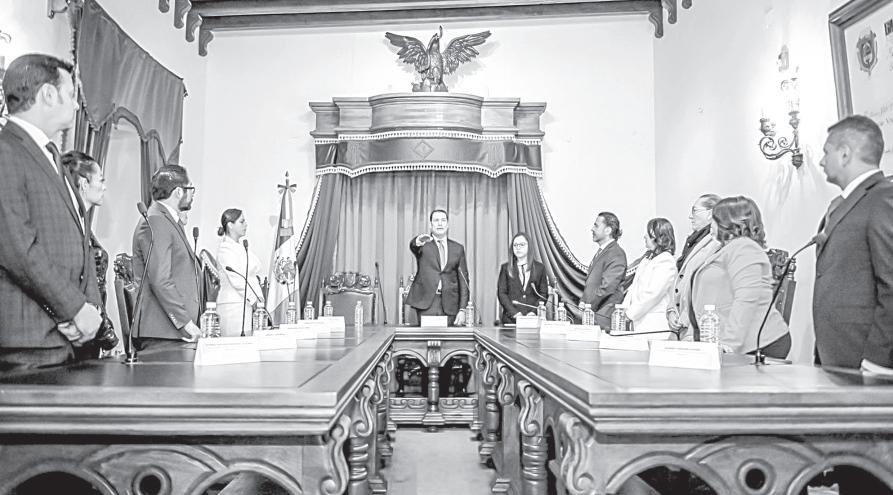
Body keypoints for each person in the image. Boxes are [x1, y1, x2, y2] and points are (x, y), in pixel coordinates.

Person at [0, 54, 102, 370]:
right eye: (70, 95)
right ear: (47, 94)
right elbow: (18, 249)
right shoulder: (6, 150)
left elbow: (80, 241)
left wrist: (90, 311)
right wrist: (74, 308)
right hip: (27, 342)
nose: (76, 106)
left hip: (65, 338)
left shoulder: (50, 155)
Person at [814, 115, 893, 371]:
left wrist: (878, 360)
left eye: (826, 152)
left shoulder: (882, 198)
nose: (821, 161)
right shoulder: (845, 204)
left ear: (845, 154)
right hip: (838, 357)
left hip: (867, 359)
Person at [690, 196, 790, 358]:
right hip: (727, 341)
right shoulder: (726, 248)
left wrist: (729, 344)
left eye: (715, 219)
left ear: (728, 222)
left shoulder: (744, 248)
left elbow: (746, 298)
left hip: (757, 344)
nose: (711, 224)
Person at [131, 165, 202, 349]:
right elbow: (160, 279)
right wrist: (185, 322)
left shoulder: (167, 219)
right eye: (191, 189)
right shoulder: (157, 220)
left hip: (172, 331)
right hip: (162, 331)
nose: (192, 195)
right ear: (178, 192)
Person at [61, 151, 120, 358]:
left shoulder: (82, 223)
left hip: (92, 329)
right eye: (101, 180)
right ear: (84, 184)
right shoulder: (67, 225)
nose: (104, 187)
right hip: (77, 330)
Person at [666, 194, 722, 340]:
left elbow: (706, 287)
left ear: (710, 213)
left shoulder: (715, 244)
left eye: (694, 211)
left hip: (696, 325)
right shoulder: (693, 242)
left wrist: (685, 316)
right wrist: (671, 310)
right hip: (680, 323)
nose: (691, 216)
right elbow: (680, 278)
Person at [406, 209, 470, 326]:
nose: (440, 223)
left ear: (448, 224)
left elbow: (464, 280)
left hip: (450, 304)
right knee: (426, 337)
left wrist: (462, 309)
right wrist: (418, 240)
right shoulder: (423, 244)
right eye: (436, 220)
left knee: (449, 338)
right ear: (430, 225)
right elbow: (413, 245)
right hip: (426, 303)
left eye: (443, 220)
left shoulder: (458, 248)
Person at [621, 218, 677, 335]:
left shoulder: (666, 261)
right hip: (639, 322)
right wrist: (623, 310)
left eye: (648, 233)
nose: (644, 236)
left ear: (659, 237)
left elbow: (652, 294)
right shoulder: (647, 259)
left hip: (653, 325)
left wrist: (630, 314)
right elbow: (633, 288)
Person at [216, 208, 265, 337]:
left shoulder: (240, 247)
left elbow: (253, 273)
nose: (246, 224)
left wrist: (258, 298)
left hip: (245, 303)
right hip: (233, 306)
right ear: (230, 225)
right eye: (242, 222)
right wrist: (254, 299)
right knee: (234, 344)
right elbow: (237, 279)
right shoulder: (225, 249)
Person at [580, 212, 628, 329]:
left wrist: (587, 306)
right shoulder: (603, 252)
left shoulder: (616, 253)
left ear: (608, 230)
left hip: (603, 318)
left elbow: (607, 287)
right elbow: (592, 285)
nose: (592, 229)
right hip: (593, 316)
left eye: (596, 225)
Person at [497, 233, 548, 325]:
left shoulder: (540, 268)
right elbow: (502, 293)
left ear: (529, 247)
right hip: (511, 320)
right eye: (515, 245)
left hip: (533, 320)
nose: (518, 248)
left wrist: (533, 312)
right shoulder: (505, 268)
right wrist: (515, 313)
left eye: (522, 245)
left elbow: (543, 294)